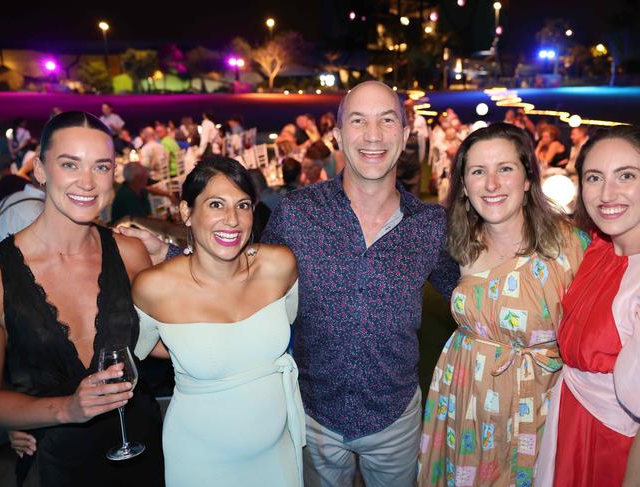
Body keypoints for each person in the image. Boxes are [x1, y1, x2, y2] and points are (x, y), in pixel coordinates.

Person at [263, 81, 459, 486]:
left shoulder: (430, 225)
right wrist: (171, 254)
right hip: (314, 415)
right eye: (358, 121)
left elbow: (472, 291)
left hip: (395, 418)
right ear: (337, 134)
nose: (373, 135)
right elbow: (245, 282)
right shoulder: (297, 213)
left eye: (387, 120)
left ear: (405, 135)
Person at [0, 111, 164, 486]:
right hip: (56, 465)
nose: (87, 182)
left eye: (101, 167)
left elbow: (174, 340)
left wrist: (169, 255)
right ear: (39, 169)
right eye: (70, 164)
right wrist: (65, 410)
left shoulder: (131, 253)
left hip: (143, 450)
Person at [418, 123, 587, 487]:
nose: (491, 184)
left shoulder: (572, 246)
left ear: (528, 178)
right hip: (468, 400)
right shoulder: (454, 243)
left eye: (505, 169)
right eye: (478, 172)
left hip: (541, 401)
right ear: (464, 185)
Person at [132, 156, 304, 487]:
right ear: (186, 212)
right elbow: (136, 349)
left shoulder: (279, 266)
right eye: (215, 204)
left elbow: (283, 322)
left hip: (278, 449)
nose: (232, 220)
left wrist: (224, 349)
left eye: (243, 205)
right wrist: (191, 349)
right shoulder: (154, 287)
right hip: (200, 460)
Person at [536, 126, 640, 487]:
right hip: (570, 425)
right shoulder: (597, 246)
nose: (607, 193)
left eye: (626, 175)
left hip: (612, 445)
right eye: (594, 177)